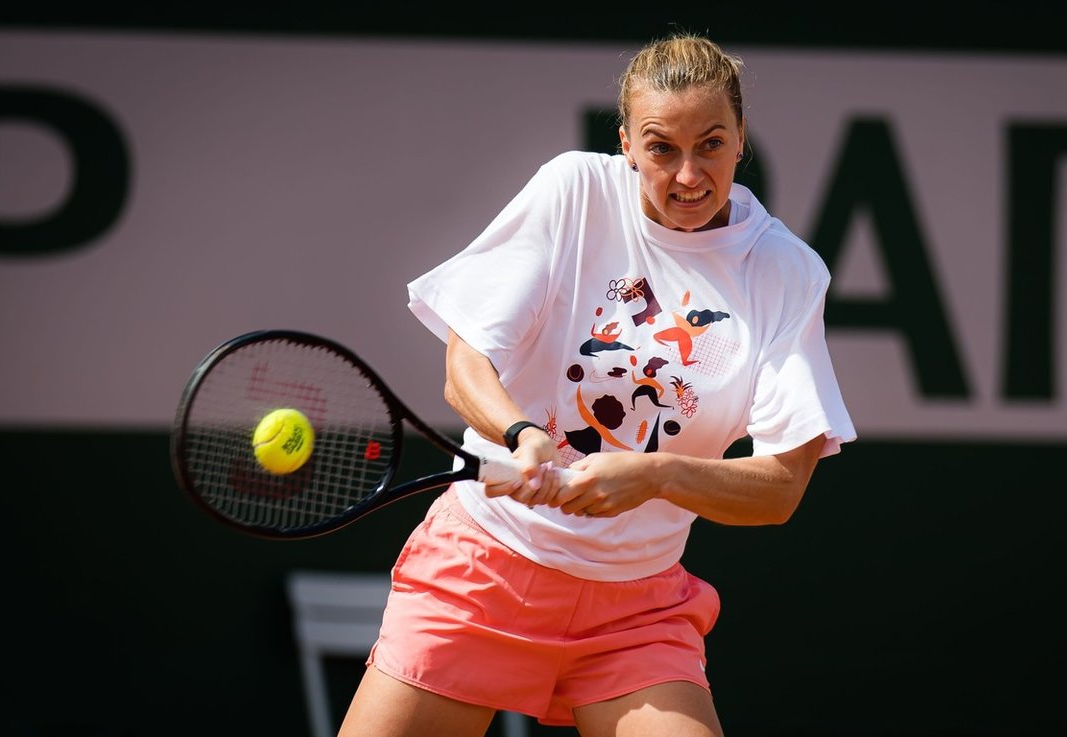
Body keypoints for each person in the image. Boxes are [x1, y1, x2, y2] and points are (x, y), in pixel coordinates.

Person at [337, 31, 856, 737]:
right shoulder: (573, 191)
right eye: (661, 148)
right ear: (626, 145)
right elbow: (466, 364)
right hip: (486, 571)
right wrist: (523, 435)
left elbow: (781, 489)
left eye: (710, 144)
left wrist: (653, 474)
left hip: (635, 614)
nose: (688, 175)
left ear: (741, 141)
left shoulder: (786, 271)